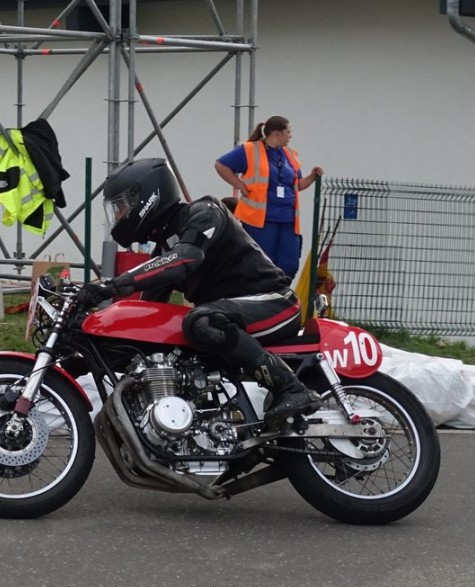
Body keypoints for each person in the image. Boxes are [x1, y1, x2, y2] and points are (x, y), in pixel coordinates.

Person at [77, 158, 321, 431]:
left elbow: (186, 258)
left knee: (202, 321)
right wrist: (87, 350)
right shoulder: (164, 252)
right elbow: (144, 319)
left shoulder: (205, 211)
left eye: (121, 207)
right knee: (183, 343)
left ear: (146, 197)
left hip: (274, 303)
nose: (119, 216)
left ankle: (290, 388)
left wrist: (111, 285)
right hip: (231, 314)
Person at [214, 115, 324, 279]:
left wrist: (312, 176)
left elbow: (298, 185)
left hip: (288, 219)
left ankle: (280, 296)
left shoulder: (290, 155)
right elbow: (221, 165)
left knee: (289, 265)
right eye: (288, 132)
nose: (290, 136)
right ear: (277, 134)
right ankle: (262, 297)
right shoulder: (250, 149)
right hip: (260, 220)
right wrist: (240, 186)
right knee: (263, 263)